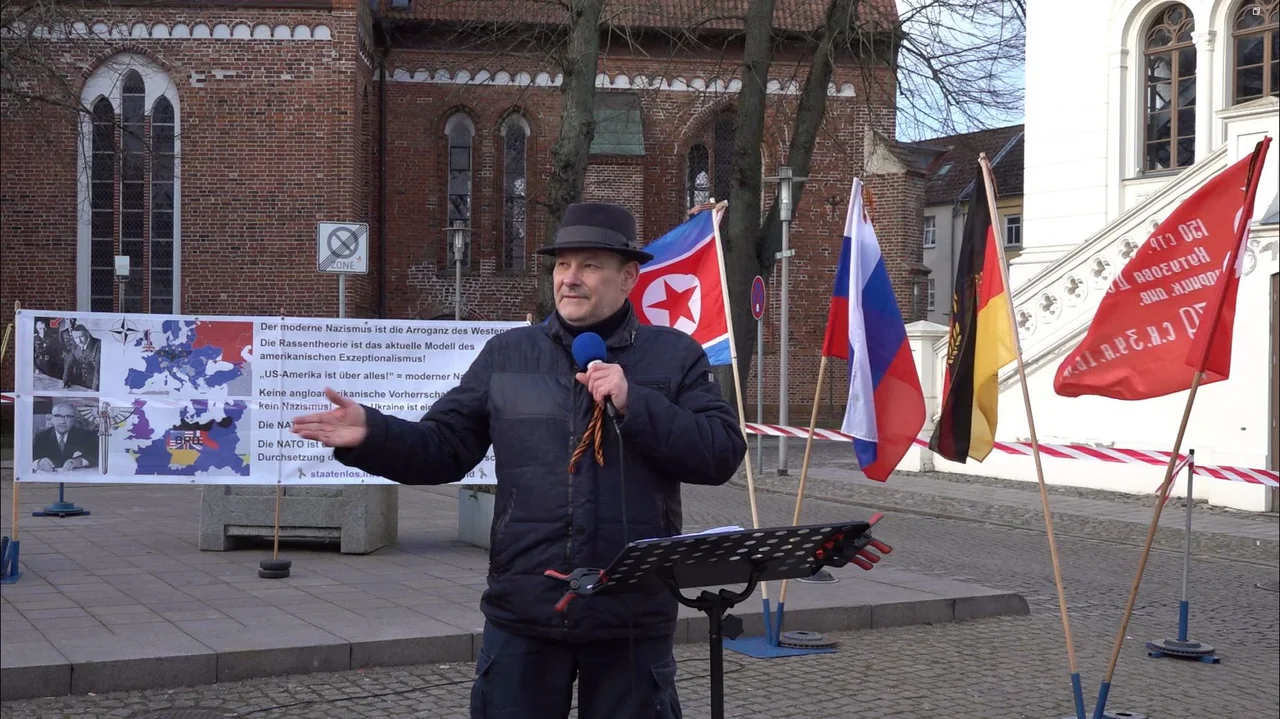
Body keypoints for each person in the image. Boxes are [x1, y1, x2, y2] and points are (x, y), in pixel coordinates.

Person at [292, 202, 747, 719]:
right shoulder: (507, 354)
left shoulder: (674, 356)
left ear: (629, 277)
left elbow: (721, 453)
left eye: (590, 265)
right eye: (561, 265)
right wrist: (373, 434)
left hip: (631, 615)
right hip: (525, 608)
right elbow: (445, 448)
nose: (570, 279)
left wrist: (634, 402)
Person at [32, 401, 98, 472]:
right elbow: (27, 459)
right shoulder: (40, 436)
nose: (63, 421)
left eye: (68, 417)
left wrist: (80, 461)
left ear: (74, 420)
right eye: (58, 416)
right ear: (52, 418)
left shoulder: (86, 435)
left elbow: (96, 457)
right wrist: (38, 463)